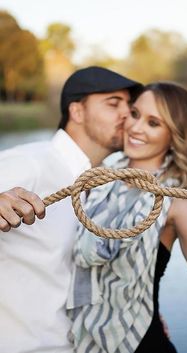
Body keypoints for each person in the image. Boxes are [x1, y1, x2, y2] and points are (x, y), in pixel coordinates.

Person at [66, 82, 187, 353]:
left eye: (153, 123)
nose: (136, 127)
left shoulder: (177, 200)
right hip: (84, 338)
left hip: (143, 343)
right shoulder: (98, 181)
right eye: (135, 114)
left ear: (174, 136)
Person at [0, 66, 142, 353]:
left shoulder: (105, 186)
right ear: (77, 112)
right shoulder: (31, 162)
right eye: (113, 103)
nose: (126, 114)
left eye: (129, 105)